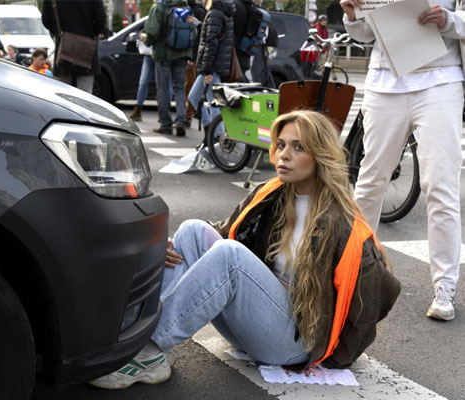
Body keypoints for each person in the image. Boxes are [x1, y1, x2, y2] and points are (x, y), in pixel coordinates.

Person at [89, 110, 401, 389]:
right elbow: (226, 232)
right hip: (258, 318)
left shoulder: (342, 224)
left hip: (294, 342)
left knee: (230, 257)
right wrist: (169, 246)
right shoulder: (272, 193)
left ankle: (150, 349)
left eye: (298, 147)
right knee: (193, 230)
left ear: (320, 155)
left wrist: (336, 356)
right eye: (281, 144)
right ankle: (141, 342)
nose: (284, 155)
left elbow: (381, 292)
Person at [341, 0, 464, 321]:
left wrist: (449, 19)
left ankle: (445, 287)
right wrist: (353, 15)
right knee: (370, 182)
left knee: (440, 186)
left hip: (441, 80)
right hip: (385, 82)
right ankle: (358, 274)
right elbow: (367, 34)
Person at [144, 0, 197, 136]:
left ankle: (165, 124)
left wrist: (145, 39)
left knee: (162, 89)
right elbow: (194, 32)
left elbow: (152, 32)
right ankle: (181, 120)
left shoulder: (159, 7)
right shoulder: (185, 7)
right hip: (182, 54)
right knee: (179, 88)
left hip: (163, 53)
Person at [187, 0, 235, 134]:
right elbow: (213, 33)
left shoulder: (215, 13)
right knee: (194, 97)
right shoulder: (223, 12)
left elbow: (211, 42)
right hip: (214, 64)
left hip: (211, 65)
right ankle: (209, 130)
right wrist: (198, 23)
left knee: (213, 103)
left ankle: (216, 137)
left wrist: (207, 69)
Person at [41, 0, 106, 94]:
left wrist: (59, 33)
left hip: (63, 48)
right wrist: (90, 34)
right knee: (85, 98)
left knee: (61, 97)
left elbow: (46, 20)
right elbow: (100, 20)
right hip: (86, 48)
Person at [184, 0, 208, 127]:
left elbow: (202, 37)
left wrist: (193, 57)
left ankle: (188, 116)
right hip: (194, 55)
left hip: (192, 55)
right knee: (190, 88)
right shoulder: (201, 11)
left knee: (190, 88)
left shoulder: (192, 11)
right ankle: (189, 115)